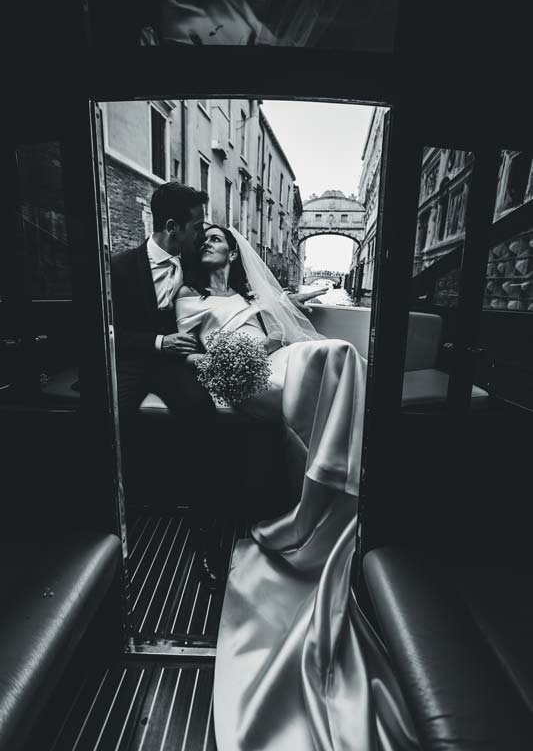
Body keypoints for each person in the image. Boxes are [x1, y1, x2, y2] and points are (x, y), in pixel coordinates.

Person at [174, 226, 419, 750]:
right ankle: (344, 482)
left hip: (273, 361)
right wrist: (225, 366)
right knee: (333, 356)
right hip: (241, 378)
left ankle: (333, 478)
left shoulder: (244, 294)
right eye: (208, 237)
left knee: (334, 354)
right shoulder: (187, 297)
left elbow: (282, 316)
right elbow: (193, 354)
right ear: (196, 252)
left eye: (221, 237)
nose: (215, 241)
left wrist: (271, 337)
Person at [111, 182, 223, 587]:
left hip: (176, 364)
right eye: (196, 225)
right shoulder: (119, 267)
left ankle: (205, 531)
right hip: (133, 358)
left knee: (201, 411)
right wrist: (158, 341)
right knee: (112, 421)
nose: (202, 231)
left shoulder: (196, 260)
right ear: (172, 227)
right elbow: (109, 331)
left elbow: (232, 290)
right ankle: (114, 526)